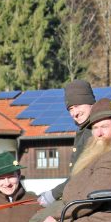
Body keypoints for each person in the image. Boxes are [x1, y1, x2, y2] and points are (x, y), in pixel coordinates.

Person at [35, 79, 98, 209]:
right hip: (82, 196)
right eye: (70, 108)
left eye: (78, 105)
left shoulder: (95, 131)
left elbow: (83, 174)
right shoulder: (85, 129)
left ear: (91, 103)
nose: (74, 113)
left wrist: (53, 194)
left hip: (92, 203)